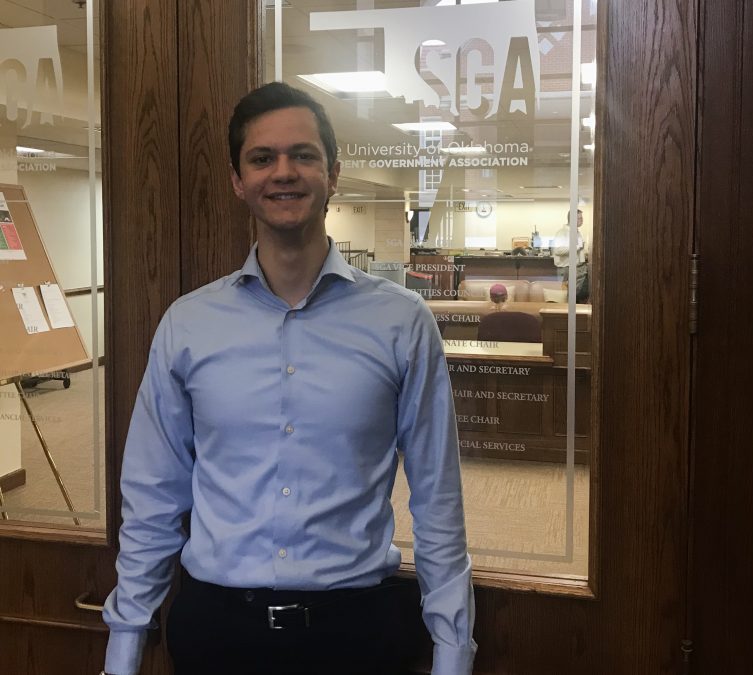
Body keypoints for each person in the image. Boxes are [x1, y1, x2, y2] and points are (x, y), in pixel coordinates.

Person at [101, 82, 476, 675]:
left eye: (303, 155)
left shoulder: (402, 321)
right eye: (261, 158)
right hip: (217, 631)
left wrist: (453, 653)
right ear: (237, 180)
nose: (284, 173)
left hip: (357, 632)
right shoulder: (189, 324)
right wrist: (124, 647)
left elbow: (437, 498)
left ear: (333, 174)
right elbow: (152, 496)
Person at [552, 208, 589, 303]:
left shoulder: (576, 232)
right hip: (566, 269)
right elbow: (558, 250)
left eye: (582, 218)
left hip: (576, 268)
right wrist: (577, 246)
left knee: (573, 298)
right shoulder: (562, 233)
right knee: (565, 298)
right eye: (579, 218)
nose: (582, 220)